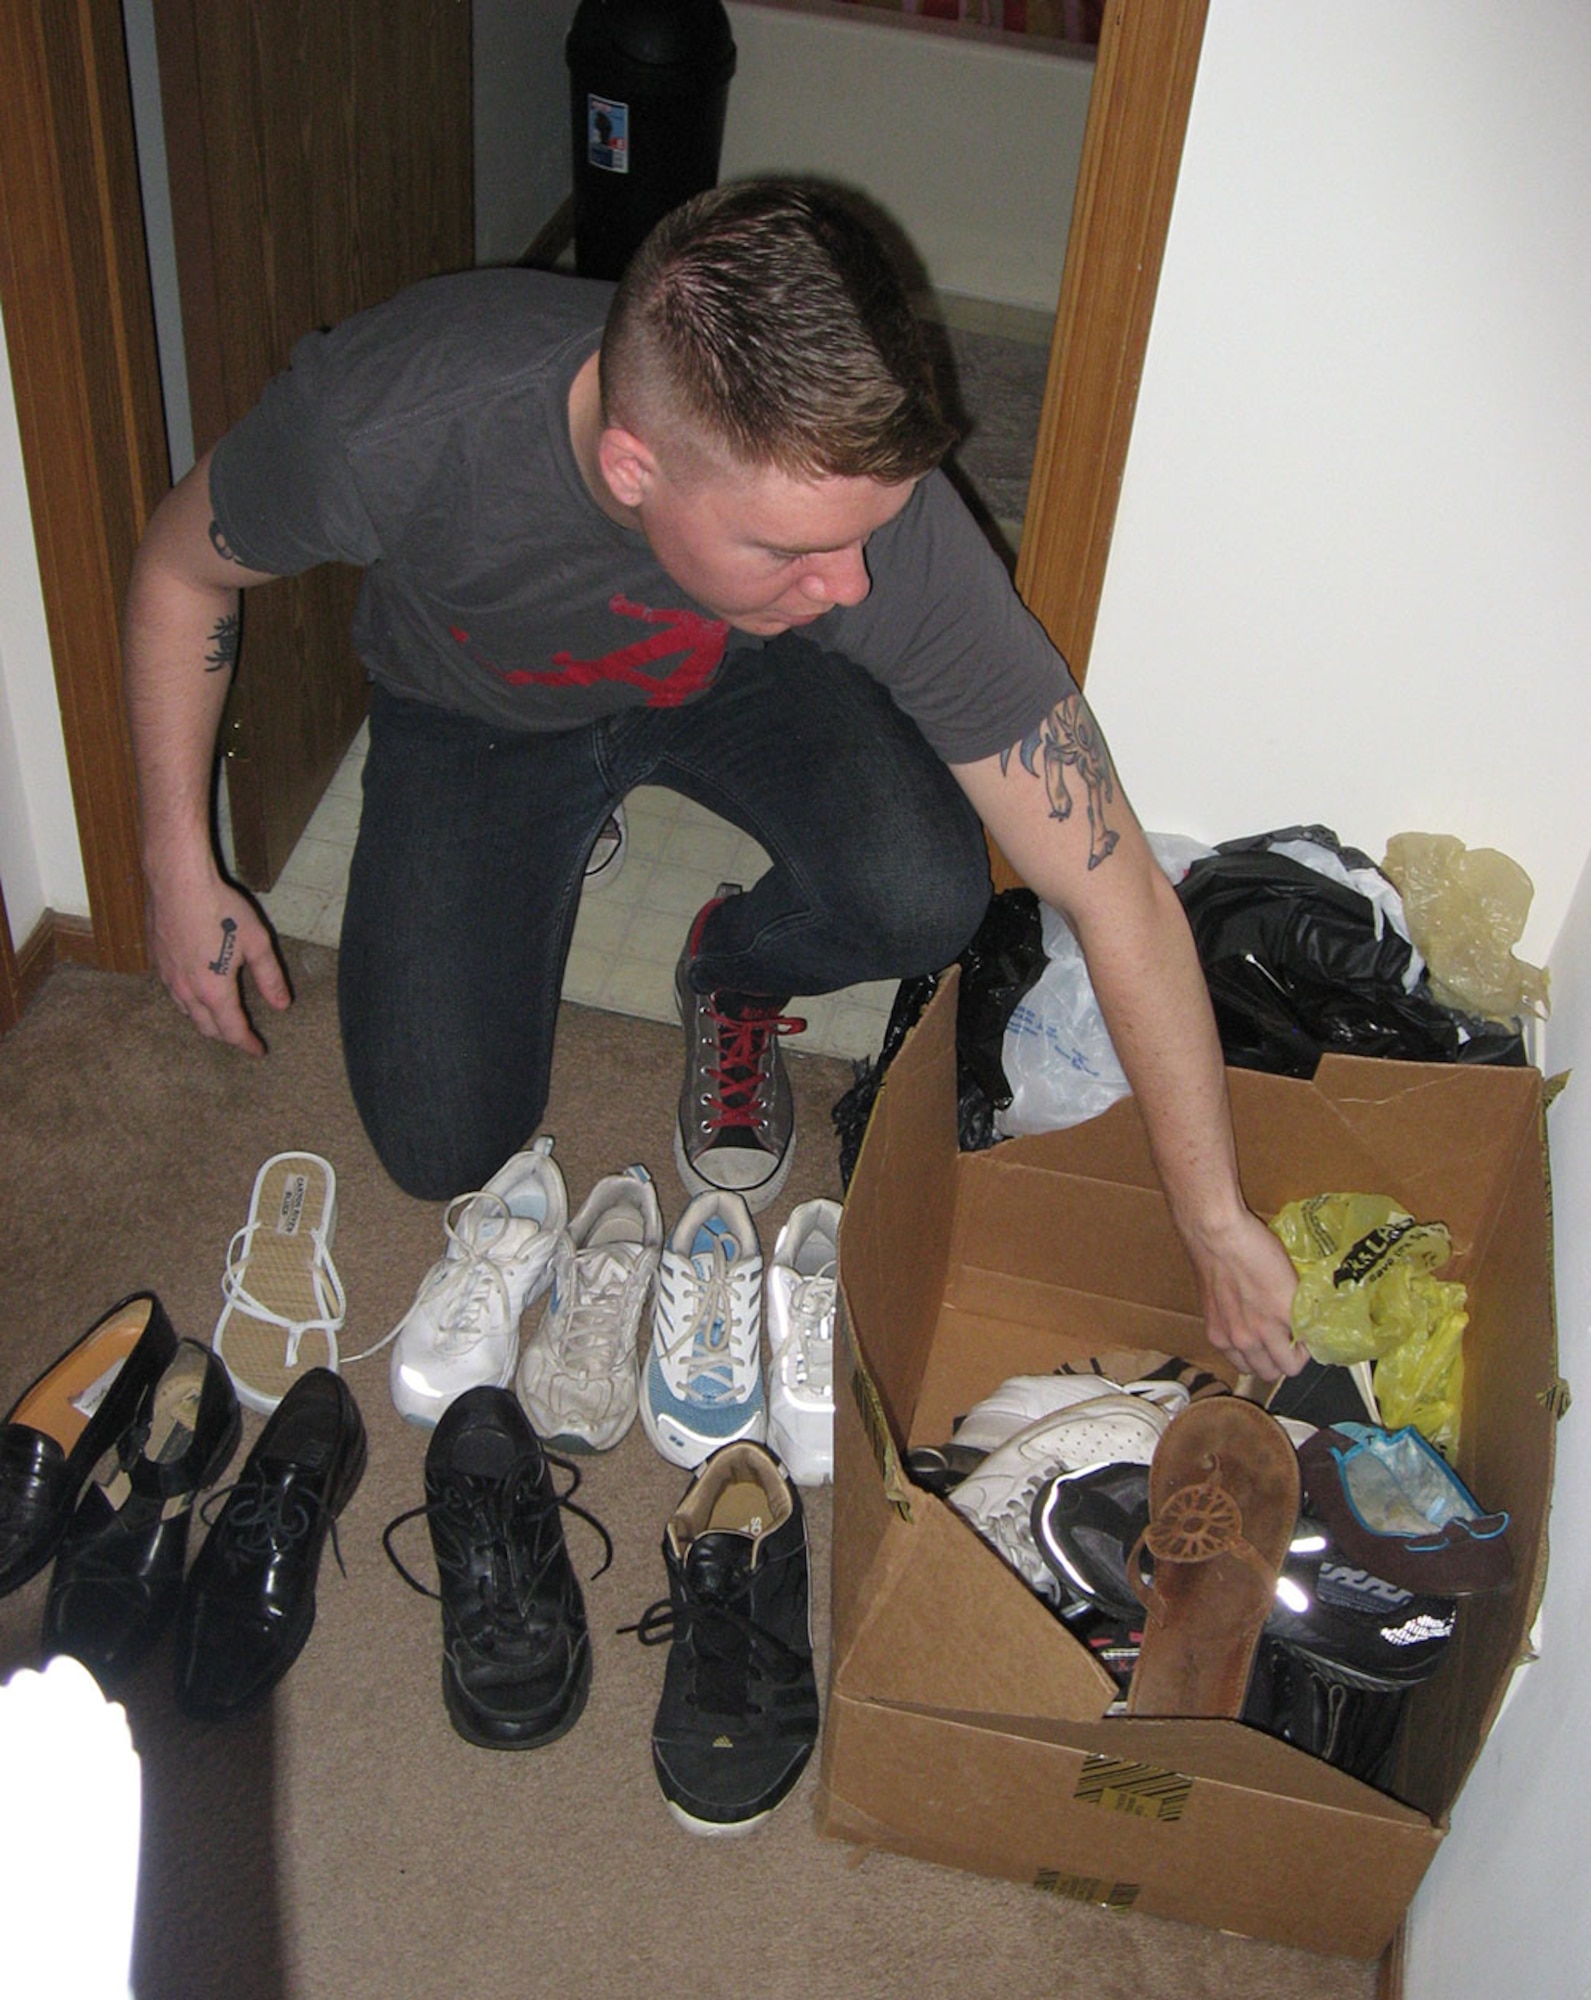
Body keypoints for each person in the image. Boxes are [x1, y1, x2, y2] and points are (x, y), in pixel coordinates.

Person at [123, 179, 1300, 1380]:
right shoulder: (394, 416)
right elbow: (179, 572)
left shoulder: (864, 534)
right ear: (634, 469)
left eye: (867, 532)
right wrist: (176, 855)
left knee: (925, 895)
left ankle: (729, 960)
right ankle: (548, 832)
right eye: (798, 547)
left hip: (738, 670)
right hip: (477, 712)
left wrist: (1213, 1220)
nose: (853, 583)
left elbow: (1112, 888)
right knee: (440, 1142)